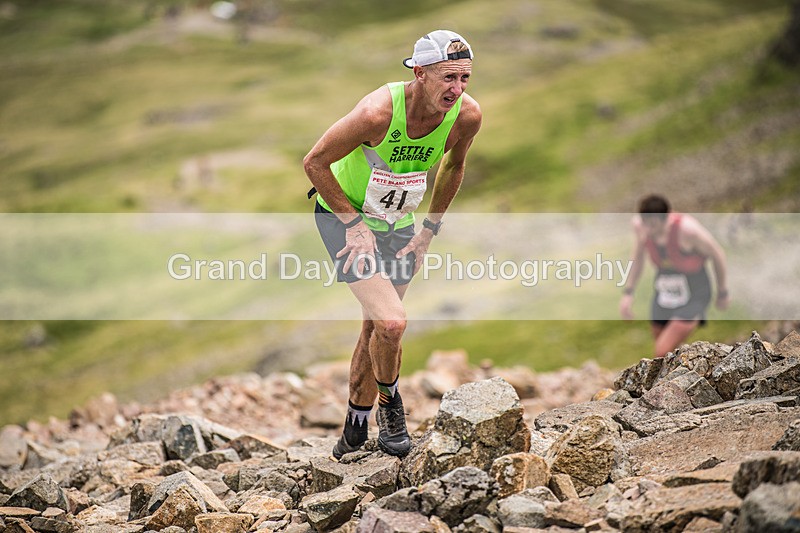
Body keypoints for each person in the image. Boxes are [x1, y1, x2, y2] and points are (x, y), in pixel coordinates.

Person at [303, 30, 482, 458]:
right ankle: (391, 407)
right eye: (448, 77)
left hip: (397, 224)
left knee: (376, 328)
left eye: (464, 77)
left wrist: (428, 231)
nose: (457, 89)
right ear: (420, 73)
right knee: (392, 323)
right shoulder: (377, 113)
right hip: (344, 220)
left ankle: (353, 431)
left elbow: (454, 166)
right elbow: (314, 163)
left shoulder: (466, 116)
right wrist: (353, 224)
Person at [619, 195, 730, 357]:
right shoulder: (639, 226)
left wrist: (722, 292)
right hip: (664, 289)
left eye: (653, 225)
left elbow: (718, 254)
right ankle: (686, 363)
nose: (648, 230)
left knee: (662, 350)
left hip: (694, 291)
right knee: (662, 349)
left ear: (665, 218)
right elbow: (637, 257)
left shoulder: (688, 230)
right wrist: (628, 293)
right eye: (645, 223)